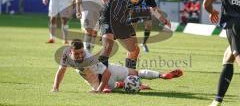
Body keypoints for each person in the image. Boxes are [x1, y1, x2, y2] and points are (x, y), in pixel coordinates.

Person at [98, 0, 170, 69]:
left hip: (123, 19)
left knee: (135, 50)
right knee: (108, 46)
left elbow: (153, 7)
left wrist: (162, 18)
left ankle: (130, 78)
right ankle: (100, 79)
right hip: (109, 13)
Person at [51, 39, 183, 93]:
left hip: (106, 75)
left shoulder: (89, 57)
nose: (80, 56)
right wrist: (55, 88)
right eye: (77, 54)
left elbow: (107, 72)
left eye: (81, 53)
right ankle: (133, 84)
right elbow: (61, 71)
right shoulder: (65, 55)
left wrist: (99, 91)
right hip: (96, 81)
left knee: (134, 73)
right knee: (128, 77)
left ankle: (162, 75)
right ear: (70, 51)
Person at [203, 0, 240, 106]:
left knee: (237, 56)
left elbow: (207, 3)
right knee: (228, 57)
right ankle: (217, 101)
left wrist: (212, 12)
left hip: (234, 23)